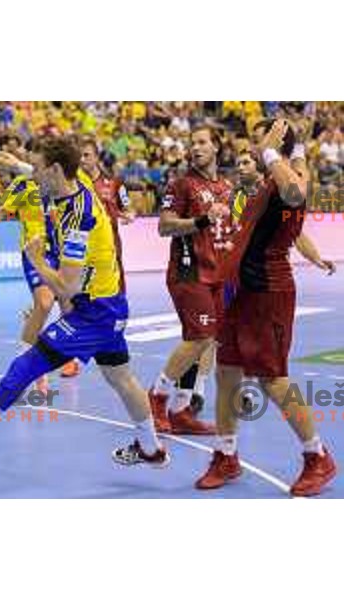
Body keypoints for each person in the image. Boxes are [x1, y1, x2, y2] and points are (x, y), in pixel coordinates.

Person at [0, 137, 169, 468]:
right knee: (120, 377)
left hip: (94, 313)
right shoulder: (78, 182)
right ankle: (151, 450)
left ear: (56, 170)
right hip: (110, 304)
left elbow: (66, 284)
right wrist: (17, 166)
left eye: (37, 169)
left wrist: (36, 260)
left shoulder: (79, 218)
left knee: (24, 369)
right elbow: (38, 174)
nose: (32, 176)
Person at [196, 119, 337, 496]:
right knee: (227, 373)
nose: (253, 147)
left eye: (260, 141)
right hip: (240, 291)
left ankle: (317, 455)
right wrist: (294, 149)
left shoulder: (287, 183)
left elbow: (295, 190)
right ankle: (226, 456)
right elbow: (298, 169)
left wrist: (274, 151)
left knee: (272, 379)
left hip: (268, 292)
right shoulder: (276, 178)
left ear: (275, 145)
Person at [150, 125, 233, 435]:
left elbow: (226, 233)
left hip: (216, 273)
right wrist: (201, 220)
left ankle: (181, 410)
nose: (195, 147)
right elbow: (165, 226)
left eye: (202, 142)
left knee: (207, 340)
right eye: (192, 143)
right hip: (189, 272)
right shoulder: (181, 185)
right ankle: (157, 397)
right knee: (199, 338)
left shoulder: (225, 186)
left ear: (216, 147)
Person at [0, 145, 81, 389]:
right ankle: (24, 368)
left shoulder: (53, 183)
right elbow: (0, 213)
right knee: (44, 303)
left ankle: (63, 358)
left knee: (68, 306)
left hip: (60, 250)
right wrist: (2, 204)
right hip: (35, 253)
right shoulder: (22, 186)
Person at [79, 138, 133, 294]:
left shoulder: (114, 182)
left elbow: (127, 207)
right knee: (82, 280)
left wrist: (128, 215)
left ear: (96, 157)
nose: (82, 160)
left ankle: (120, 306)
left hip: (110, 239)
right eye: (79, 156)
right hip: (84, 240)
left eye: (86, 155)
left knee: (115, 272)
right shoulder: (74, 183)